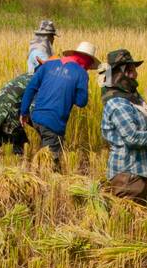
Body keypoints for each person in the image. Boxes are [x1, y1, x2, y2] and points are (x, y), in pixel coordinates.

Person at [101, 48, 147, 206]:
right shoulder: (117, 103)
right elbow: (132, 137)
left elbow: (144, 128)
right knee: (129, 226)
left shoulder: (132, 97)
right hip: (128, 176)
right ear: (119, 74)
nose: (135, 74)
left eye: (133, 69)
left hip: (138, 174)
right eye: (130, 70)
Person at [19, 40, 98, 171]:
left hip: (36, 117)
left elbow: (31, 88)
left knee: (44, 153)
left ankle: (35, 172)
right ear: (88, 61)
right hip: (54, 122)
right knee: (50, 164)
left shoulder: (49, 65)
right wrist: (71, 91)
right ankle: (42, 184)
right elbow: (81, 102)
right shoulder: (81, 73)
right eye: (89, 66)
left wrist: (24, 112)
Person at [0, 72, 31, 155]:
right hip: (6, 116)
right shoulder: (36, 82)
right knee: (19, 142)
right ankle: (19, 162)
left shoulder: (25, 76)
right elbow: (33, 109)